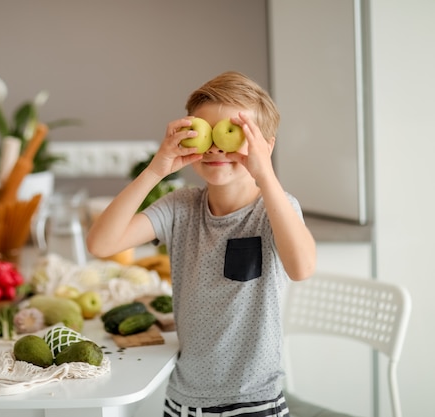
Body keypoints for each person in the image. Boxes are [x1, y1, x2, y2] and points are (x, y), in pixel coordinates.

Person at [86, 71, 316, 416]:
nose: (217, 147)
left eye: (234, 134)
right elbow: (101, 245)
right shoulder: (182, 207)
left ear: (266, 145)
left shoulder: (274, 208)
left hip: (253, 401)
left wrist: (264, 173)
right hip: (183, 401)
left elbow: (301, 268)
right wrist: (155, 170)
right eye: (205, 133)